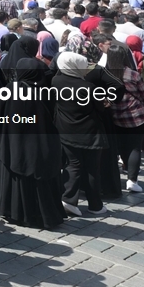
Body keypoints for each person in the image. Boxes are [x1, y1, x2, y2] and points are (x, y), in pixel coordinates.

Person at [0, 56, 64, 229]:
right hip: (40, 144)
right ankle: (44, 215)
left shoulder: (11, 88)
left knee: (16, 173)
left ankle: (16, 213)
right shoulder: (46, 91)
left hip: (14, 142)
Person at [53, 52, 109, 217]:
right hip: (89, 132)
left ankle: (68, 199)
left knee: (72, 164)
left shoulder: (56, 81)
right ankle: (95, 204)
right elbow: (100, 107)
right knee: (92, 169)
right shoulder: (87, 87)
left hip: (65, 129)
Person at [105, 42, 144, 193]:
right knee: (134, 147)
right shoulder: (132, 74)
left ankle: (124, 169)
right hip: (135, 115)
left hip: (114, 116)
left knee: (121, 146)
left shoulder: (104, 74)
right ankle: (132, 179)